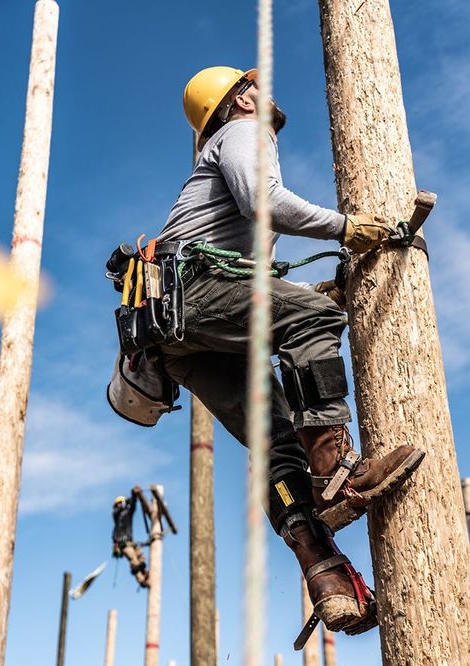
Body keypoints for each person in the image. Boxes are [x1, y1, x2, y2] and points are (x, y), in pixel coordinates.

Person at [154, 66, 424, 633]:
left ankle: (326, 579)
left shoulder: (219, 156)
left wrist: (299, 291)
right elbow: (265, 202)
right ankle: (338, 474)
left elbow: (245, 272)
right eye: (255, 84)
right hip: (197, 299)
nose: (266, 88)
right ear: (240, 100)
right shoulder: (245, 133)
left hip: (177, 336)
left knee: (277, 445)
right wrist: (344, 226)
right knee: (314, 318)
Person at [112, 495, 150, 588]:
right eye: (119, 504)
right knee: (134, 560)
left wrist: (134, 497)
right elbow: (122, 509)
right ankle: (141, 580)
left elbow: (132, 506)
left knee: (141, 558)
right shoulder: (116, 514)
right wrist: (131, 498)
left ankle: (144, 573)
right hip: (122, 543)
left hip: (130, 541)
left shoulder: (127, 513)